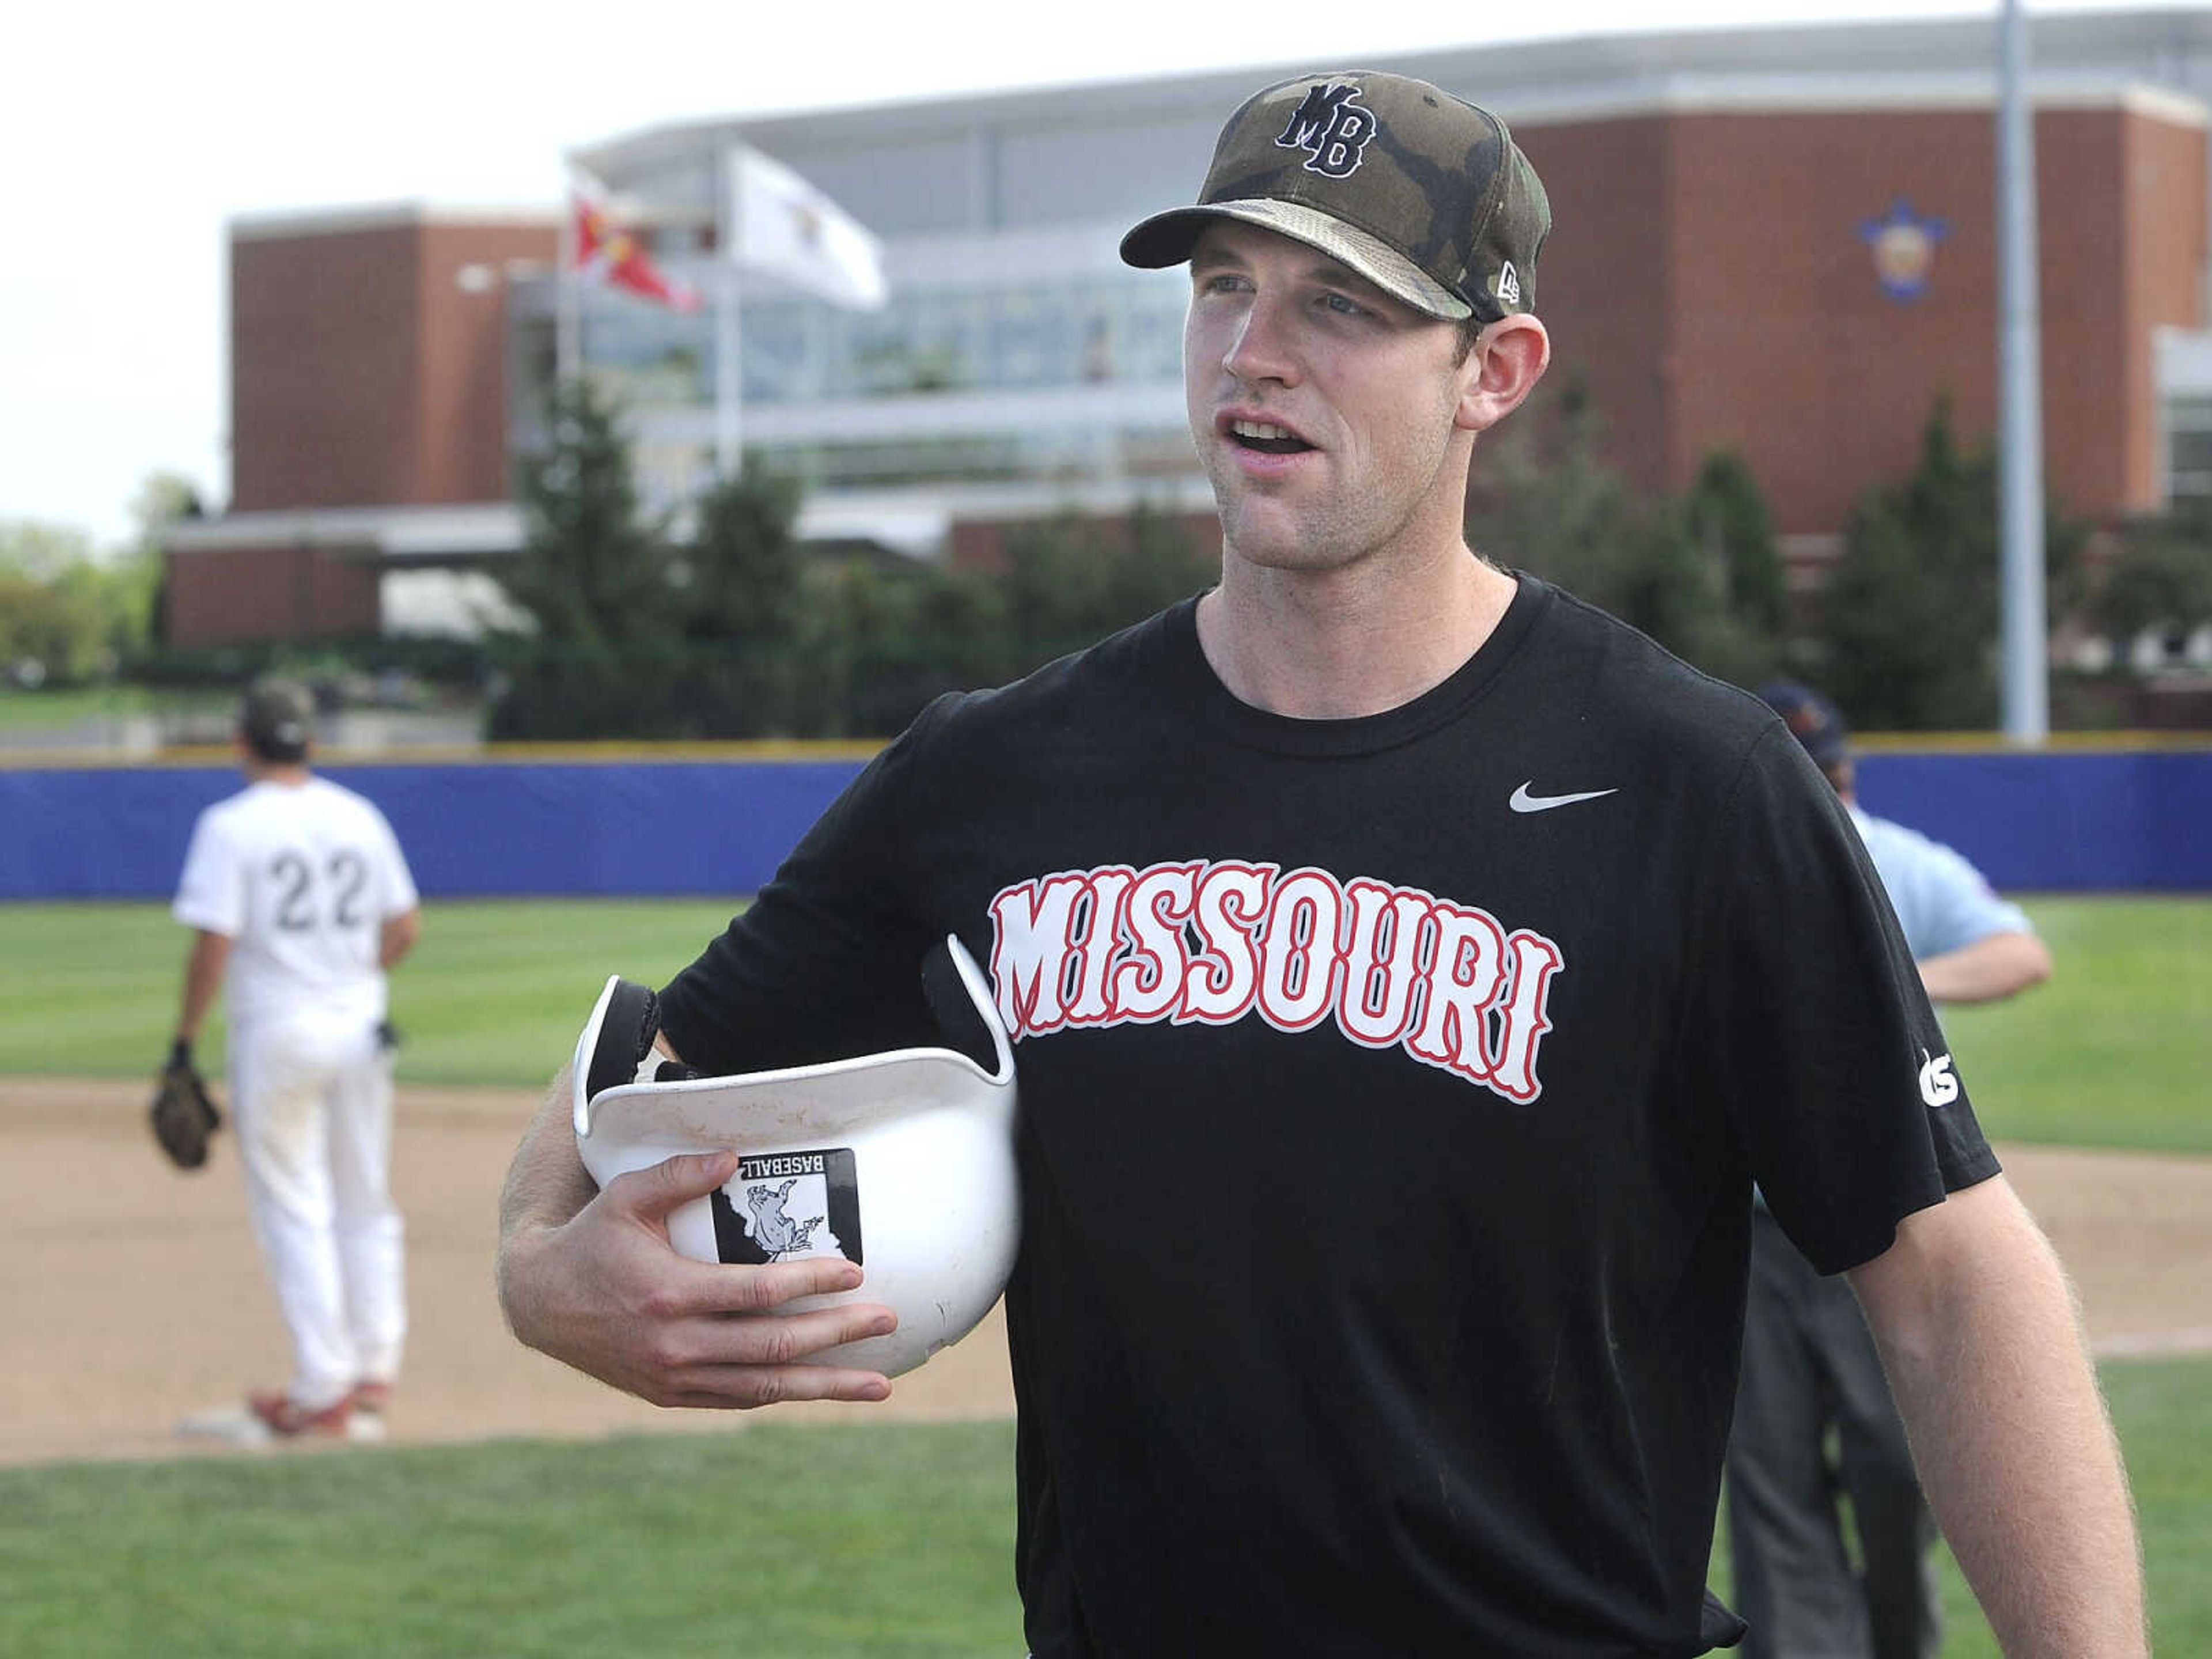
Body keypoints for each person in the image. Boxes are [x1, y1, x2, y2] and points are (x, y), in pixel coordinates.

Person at [497, 71, 2144, 1655]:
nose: (1254, 355)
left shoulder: (1688, 781)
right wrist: (536, 1275)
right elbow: (645, 1071)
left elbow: (1950, 1276)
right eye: (1224, 288)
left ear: (1493, 369)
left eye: (1340, 307)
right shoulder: (992, 776)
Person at [1727, 682, 2055, 1659]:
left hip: (1883, 1218)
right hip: (1743, 1230)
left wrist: (1905, 980)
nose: (1821, 792)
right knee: (1769, 1476)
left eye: (1825, 773)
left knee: (1896, 1462)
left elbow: (2019, 953)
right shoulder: (1711, 861)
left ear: (1848, 772)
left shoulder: (1894, 862)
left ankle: (1898, 1641)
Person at [172, 676, 422, 1441]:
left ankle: (323, 1387)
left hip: (279, 1033)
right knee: (365, 1196)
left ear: (241, 742)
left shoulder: (230, 825)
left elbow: (215, 943)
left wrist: (182, 1044)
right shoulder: (358, 814)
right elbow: (405, 927)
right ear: (311, 743)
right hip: (361, 1030)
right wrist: (354, 983)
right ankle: (375, 1368)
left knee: (294, 1207)